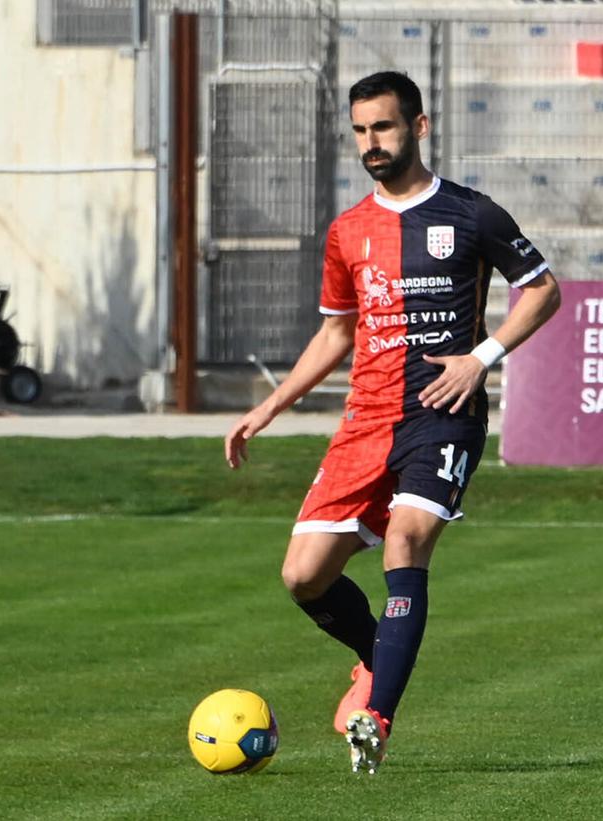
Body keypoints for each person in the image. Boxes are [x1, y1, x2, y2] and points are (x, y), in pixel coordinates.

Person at [225, 71, 560, 774]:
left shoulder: (472, 214)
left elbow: (542, 290)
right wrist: (269, 406)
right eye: (360, 130)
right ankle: (375, 657)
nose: (371, 142)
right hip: (366, 420)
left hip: (444, 413)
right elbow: (336, 332)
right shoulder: (348, 231)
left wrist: (481, 358)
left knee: (405, 542)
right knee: (303, 576)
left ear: (419, 126)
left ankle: (376, 718)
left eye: (383, 126)